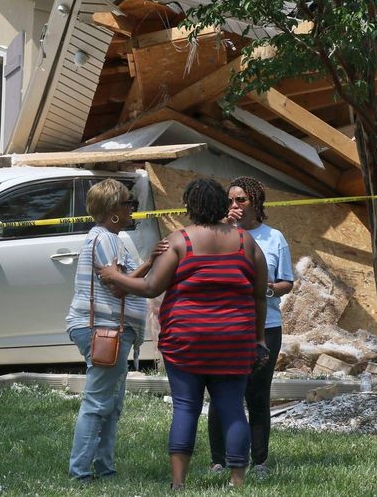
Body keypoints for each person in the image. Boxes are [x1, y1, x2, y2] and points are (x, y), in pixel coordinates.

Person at [100, 178, 268, 489]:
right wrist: (258, 339)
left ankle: (178, 483)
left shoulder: (181, 241)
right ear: (221, 205)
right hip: (234, 340)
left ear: (190, 208)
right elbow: (260, 295)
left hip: (186, 340)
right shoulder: (246, 242)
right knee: (232, 408)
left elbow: (151, 287)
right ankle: (237, 481)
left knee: (186, 408)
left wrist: (114, 276)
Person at [65, 179, 167, 482]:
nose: (133, 208)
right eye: (128, 203)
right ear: (112, 212)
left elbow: (118, 281)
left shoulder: (109, 237)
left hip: (110, 329)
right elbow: (118, 287)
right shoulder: (105, 239)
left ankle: (104, 469)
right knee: (98, 403)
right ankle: (81, 473)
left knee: (111, 404)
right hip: (104, 328)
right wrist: (150, 262)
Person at [208, 176, 294, 480]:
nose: (235, 206)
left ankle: (259, 461)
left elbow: (287, 282)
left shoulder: (274, 238)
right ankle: (218, 460)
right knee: (222, 393)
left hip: (266, 325)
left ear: (256, 202)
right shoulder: (218, 234)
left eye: (241, 200)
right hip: (226, 326)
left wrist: (263, 289)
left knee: (257, 395)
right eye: (230, 200)